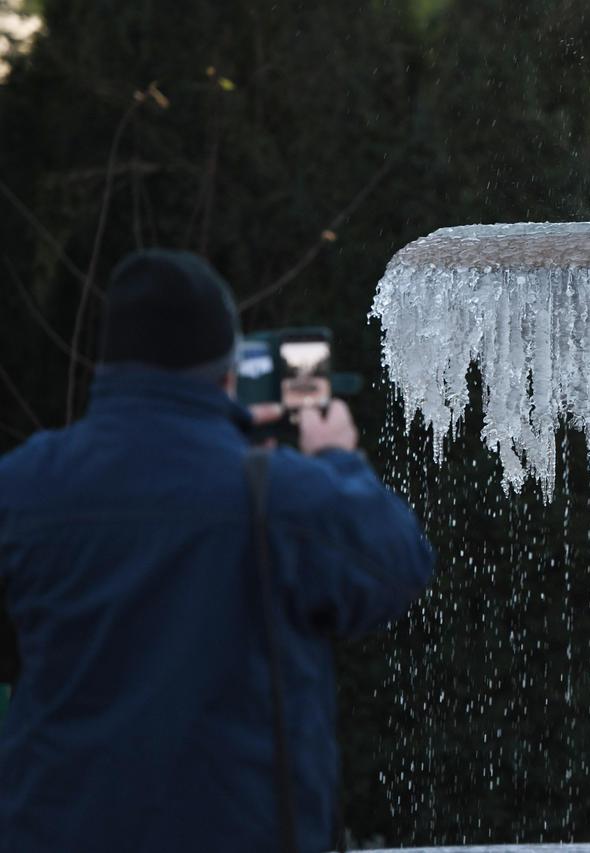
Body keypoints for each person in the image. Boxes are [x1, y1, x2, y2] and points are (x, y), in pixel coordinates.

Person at [0, 249, 436, 853]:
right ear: (227, 370)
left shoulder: (23, 484)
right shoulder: (280, 494)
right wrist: (335, 457)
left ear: (109, 362)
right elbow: (400, 562)